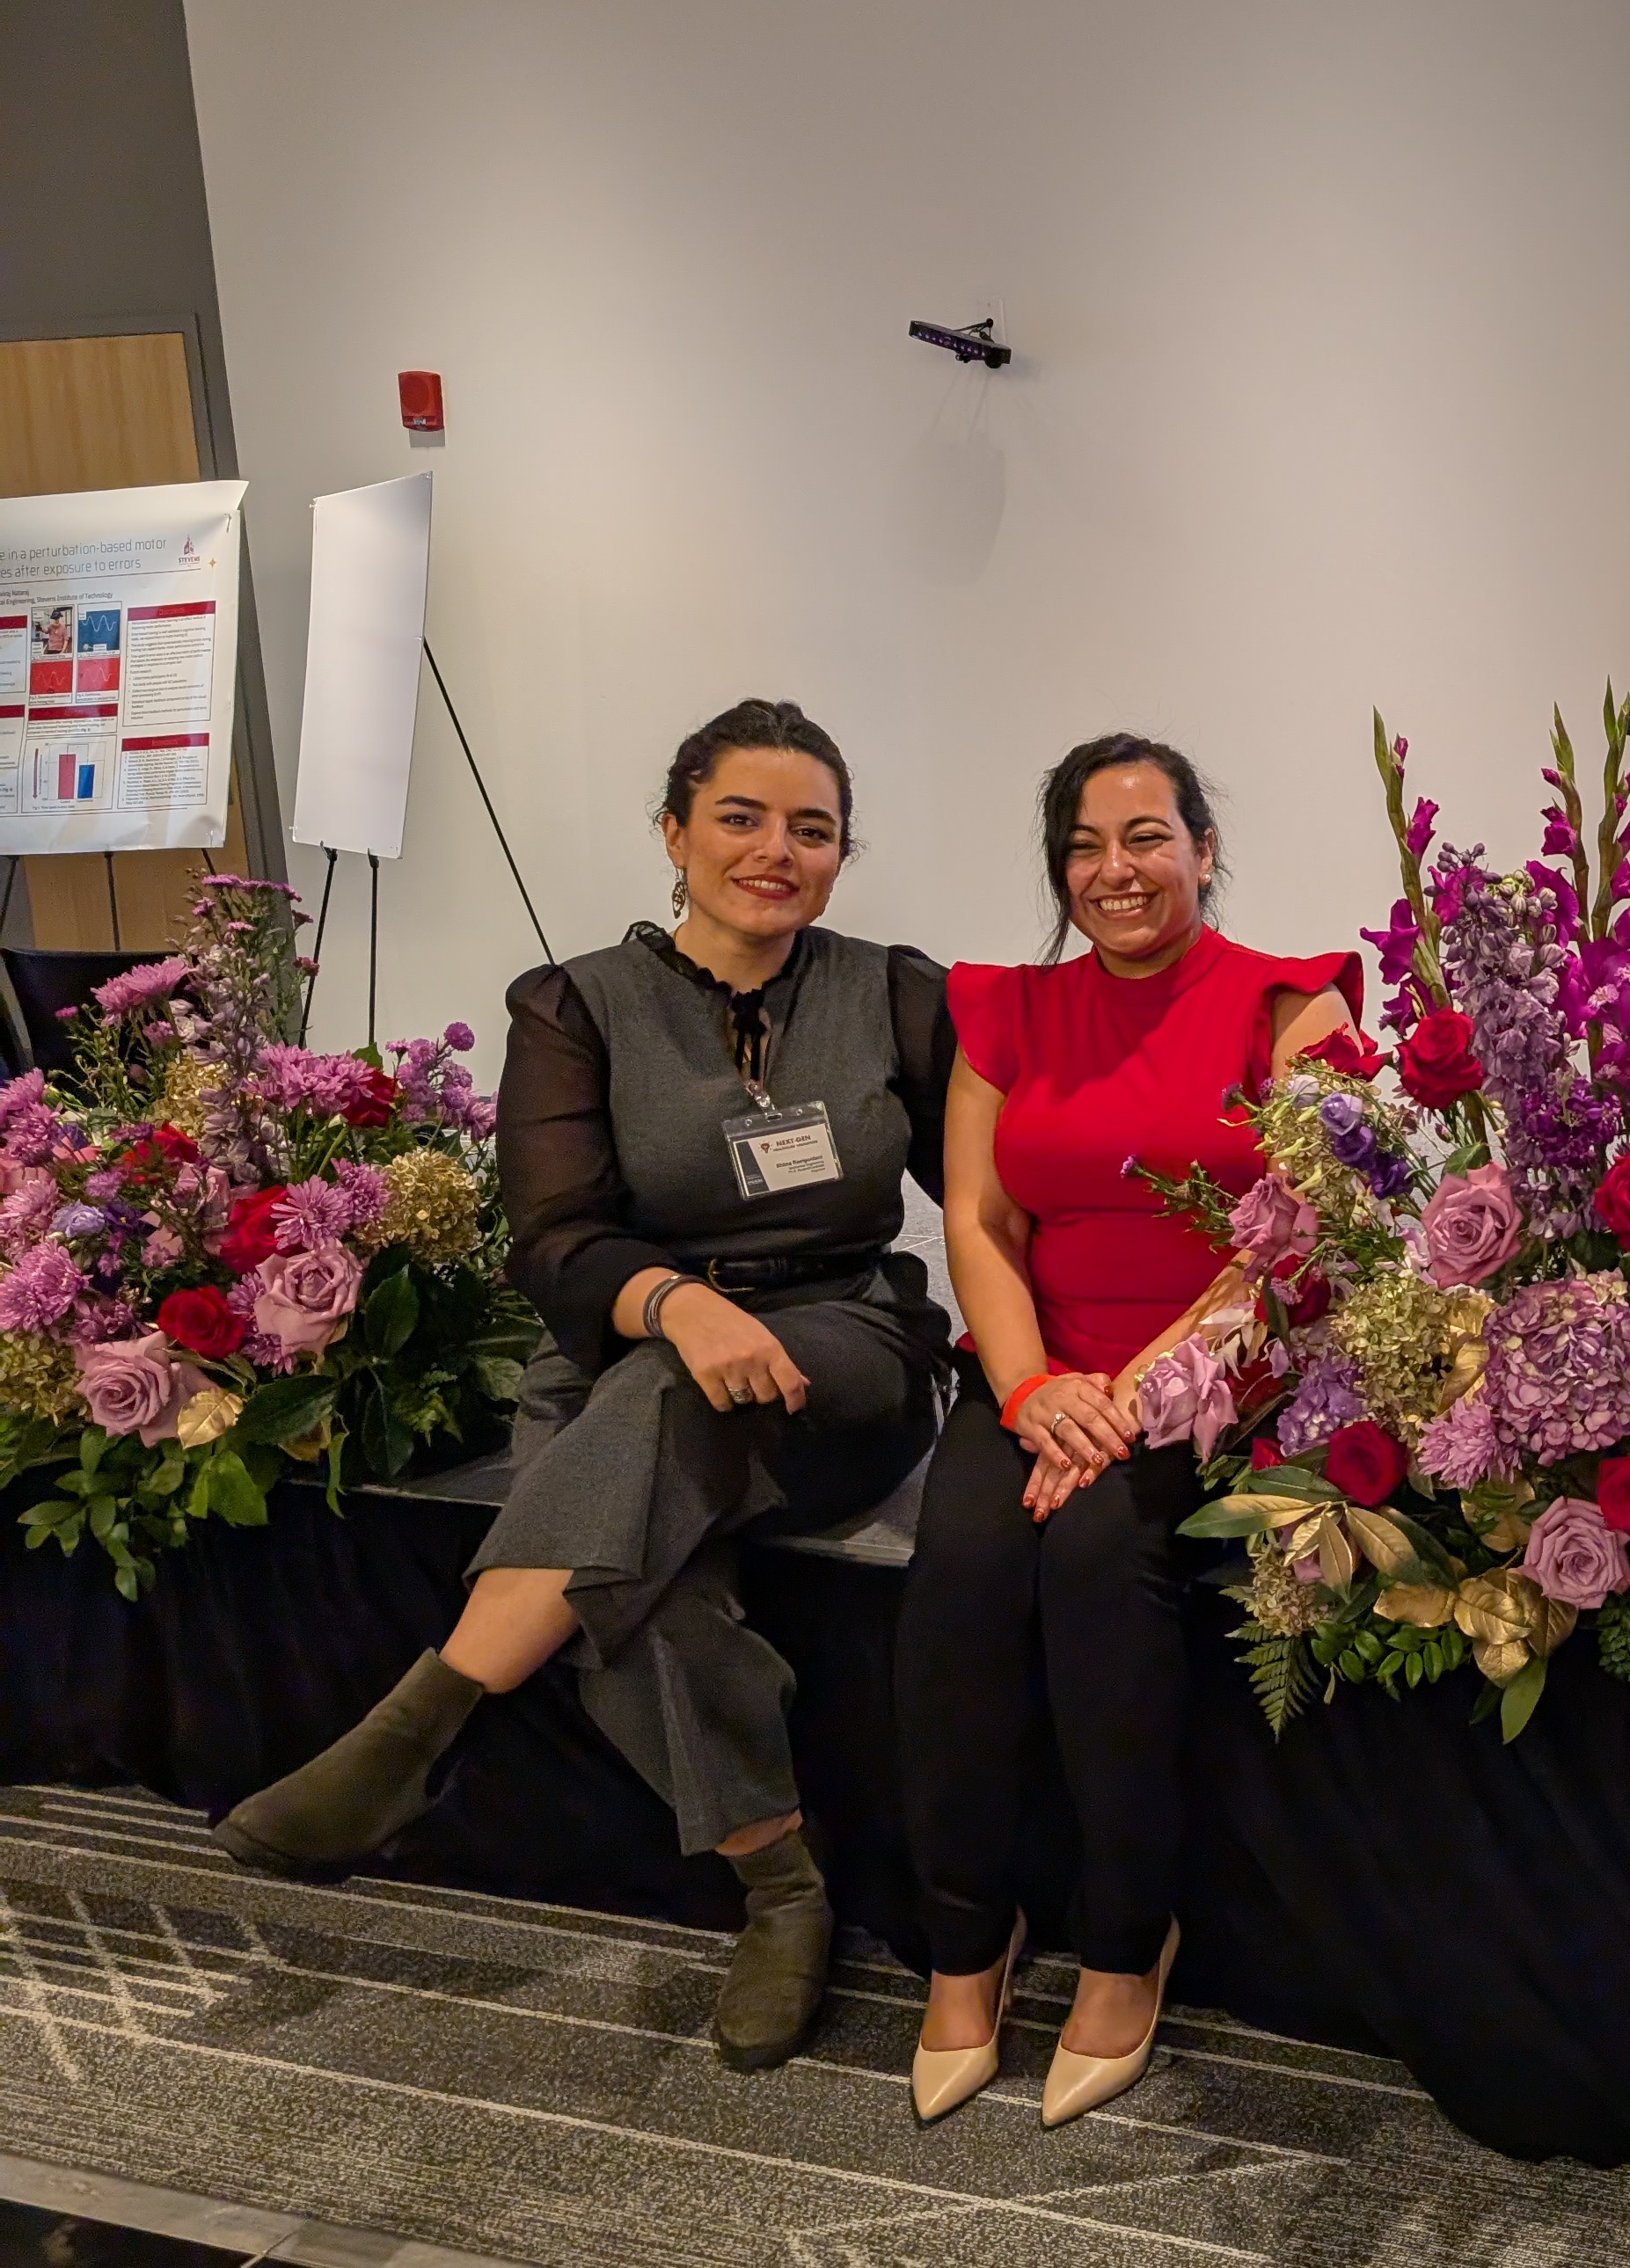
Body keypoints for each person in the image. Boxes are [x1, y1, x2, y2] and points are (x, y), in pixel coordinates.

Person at [215, 699, 955, 2072]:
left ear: (842, 855)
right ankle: (784, 1890)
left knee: (662, 1417)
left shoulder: (900, 994)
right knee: (640, 1567)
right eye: (740, 817)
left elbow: (993, 1191)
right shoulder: (574, 1007)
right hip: (627, 1344)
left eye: (812, 829)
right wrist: (677, 1303)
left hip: (842, 1344)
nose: (777, 850)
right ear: (673, 833)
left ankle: (420, 1726)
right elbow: (553, 1237)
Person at [897, 734, 1356, 2130]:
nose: (1117, 870)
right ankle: (965, 1943)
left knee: (1100, 1561)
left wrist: (1134, 1398)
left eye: (1147, 836)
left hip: (1216, 1379)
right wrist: (1034, 1394)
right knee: (963, 1565)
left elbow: (1295, 1236)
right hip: (1042, 1377)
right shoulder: (1004, 1008)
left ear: (1203, 850)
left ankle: (1123, 1941)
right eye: (1085, 846)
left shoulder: (1295, 1005)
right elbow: (979, 1218)